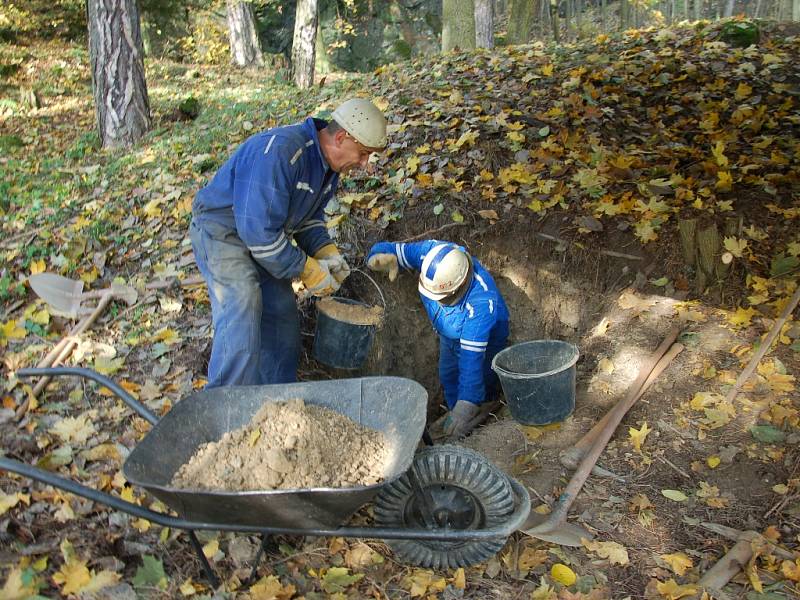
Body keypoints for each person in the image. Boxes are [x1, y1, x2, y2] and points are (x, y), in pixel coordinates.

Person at [190, 99, 387, 388]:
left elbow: (307, 218)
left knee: (282, 319)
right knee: (243, 301)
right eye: (363, 154)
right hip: (223, 232)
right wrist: (307, 269)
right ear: (342, 137)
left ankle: (276, 403)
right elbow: (258, 235)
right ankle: (226, 405)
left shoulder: (327, 168)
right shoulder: (282, 153)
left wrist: (325, 252)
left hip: (266, 237)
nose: (364, 164)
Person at [367, 240, 510, 438]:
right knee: (448, 375)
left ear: (456, 290)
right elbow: (395, 250)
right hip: (449, 335)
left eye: (440, 299)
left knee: (483, 380)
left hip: (485, 342)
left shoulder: (481, 305)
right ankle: (453, 408)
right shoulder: (433, 255)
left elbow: (472, 362)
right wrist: (378, 255)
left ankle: (487, 406)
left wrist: (466, 406)